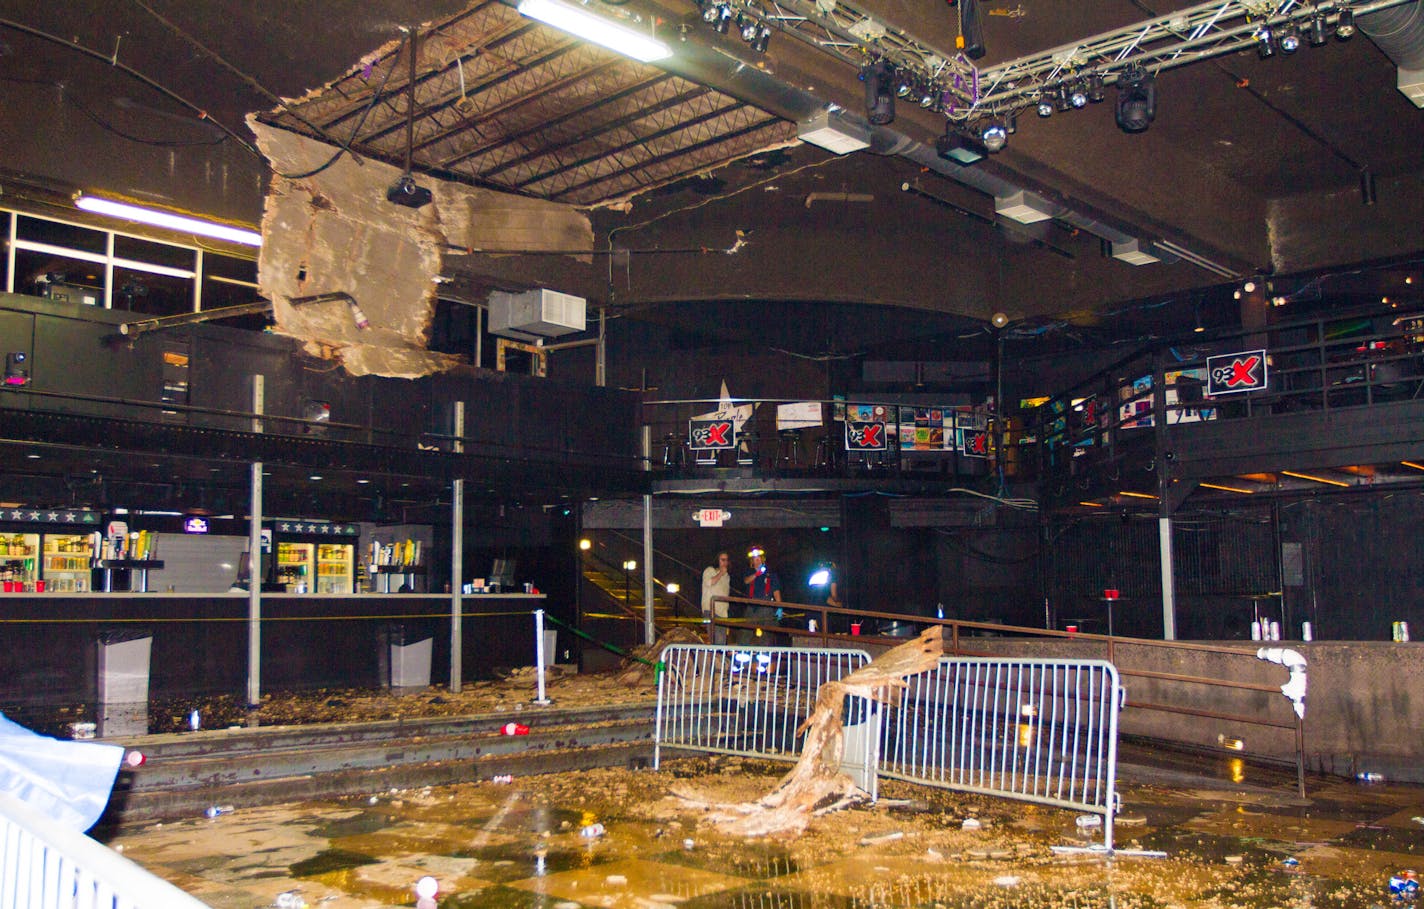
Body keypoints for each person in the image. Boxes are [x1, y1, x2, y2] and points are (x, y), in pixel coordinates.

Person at [742, 545, 782, 643]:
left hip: (766, 606)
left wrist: (780, 607)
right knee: (746, 632)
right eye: (755, 559)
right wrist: (757, 574)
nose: (758, 560)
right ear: (752, 561)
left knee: (766, 634)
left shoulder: (770, 573)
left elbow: (776, 591)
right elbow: (746, 581)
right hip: (752, 606)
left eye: (759, 558)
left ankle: (764, 654)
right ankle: (742, 653)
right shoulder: (749, 572)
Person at [701, 551, 731, 620]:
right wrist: (720, 573)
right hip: (710, 609)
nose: (725, 562)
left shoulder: (727, 576)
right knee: (713, 631)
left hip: (723, 612)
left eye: (726, 560)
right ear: (717, 560)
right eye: (723, 560)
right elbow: (710, 582)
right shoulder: (709, 570)